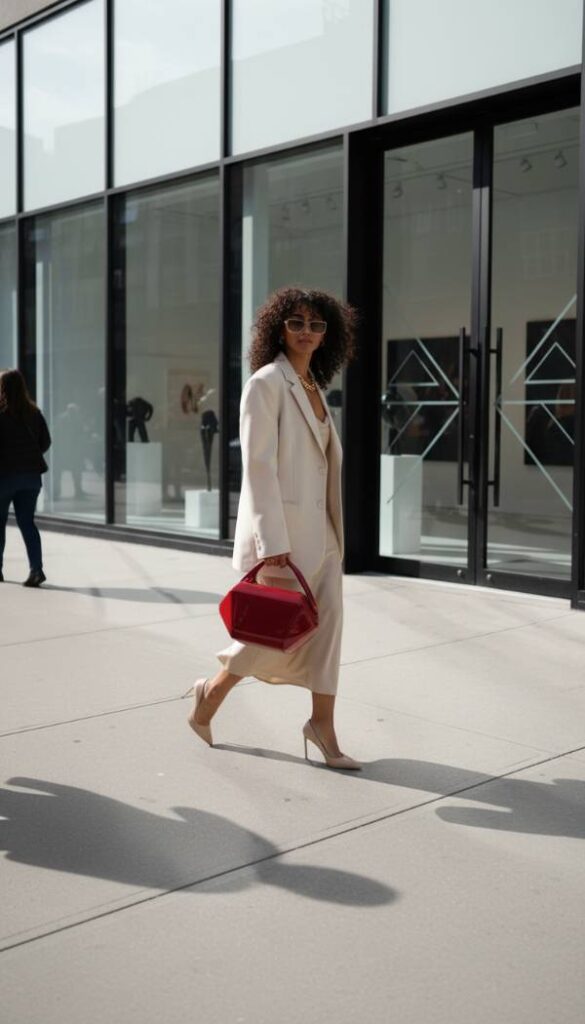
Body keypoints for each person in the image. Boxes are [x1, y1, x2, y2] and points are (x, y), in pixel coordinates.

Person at [186, 286, 361, 770]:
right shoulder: (265, 383)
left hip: (323, 534)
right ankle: (211, 692)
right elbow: (258, 467)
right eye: (297, 322)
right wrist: (272, 542)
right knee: (270, 630)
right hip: (284, 536)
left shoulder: (313, 387)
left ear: (329, 333)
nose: (307, 332)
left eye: (317, 324)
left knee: (328, 632)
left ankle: (321, 725)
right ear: (277, 328)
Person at [0, 369, 51, 587]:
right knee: (27, 523)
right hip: (30, 479)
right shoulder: (34, 413)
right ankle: (36, 569)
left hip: (4, 477)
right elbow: (46, 442)